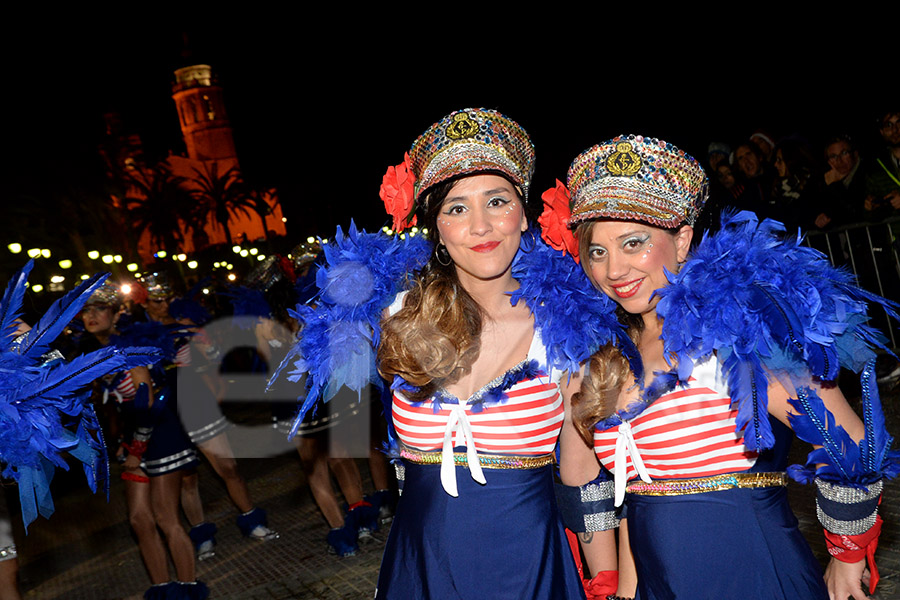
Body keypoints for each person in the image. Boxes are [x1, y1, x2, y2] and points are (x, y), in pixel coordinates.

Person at [279, 108, 630, 599]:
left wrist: (607, 583)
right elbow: (309, 348)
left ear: (524, 212)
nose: (481, 226)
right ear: (436, 228)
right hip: (421, 565)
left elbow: (581, 471)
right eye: (457, 208)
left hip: (531, 566)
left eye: (497, 201)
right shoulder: (393, 316)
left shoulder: (563, 328)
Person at [543, 134, 897, 600]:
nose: (614, 269)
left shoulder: (733, 333)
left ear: (683, 237)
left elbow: (850, 441)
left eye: (634, 243)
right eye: (598, 251)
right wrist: (624, 588)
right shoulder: (611, 354)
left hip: (751, 570)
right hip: (657, 579)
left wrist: (847, 555)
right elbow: (634, 498)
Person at [79, 281, 208, 599]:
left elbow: (147, 400)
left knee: (166, 517)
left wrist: (137, 447)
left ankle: (188, 589)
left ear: (116, 313)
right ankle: (163, 588)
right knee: (139, 519)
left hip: (161, 434)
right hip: (132, 438)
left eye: (99, 309)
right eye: (85, 310)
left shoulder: (131, 344)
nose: (91, 316)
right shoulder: (93, 351)